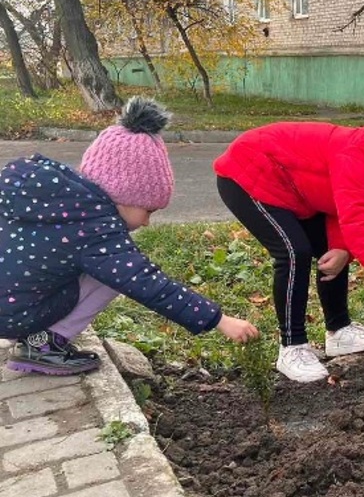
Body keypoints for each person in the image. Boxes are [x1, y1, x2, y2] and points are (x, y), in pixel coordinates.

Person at [213, 91, 364, 383]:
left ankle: (338, 330)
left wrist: (342, 247)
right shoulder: (362, 156)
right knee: (295, 251)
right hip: (250, 171)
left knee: (332, 249)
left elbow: (344, 207)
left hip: (297, 190)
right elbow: (359, 228)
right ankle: (292, 347)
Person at [0, 97, 259, 376]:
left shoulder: (52, 196)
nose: (147, 222)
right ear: (124, 196)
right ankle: (42, 345)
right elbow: (147, 283)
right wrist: (219, 320)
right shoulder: (95, 228)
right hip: (14, 315)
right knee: (116, 275)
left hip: (11, 301)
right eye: (148, 210)